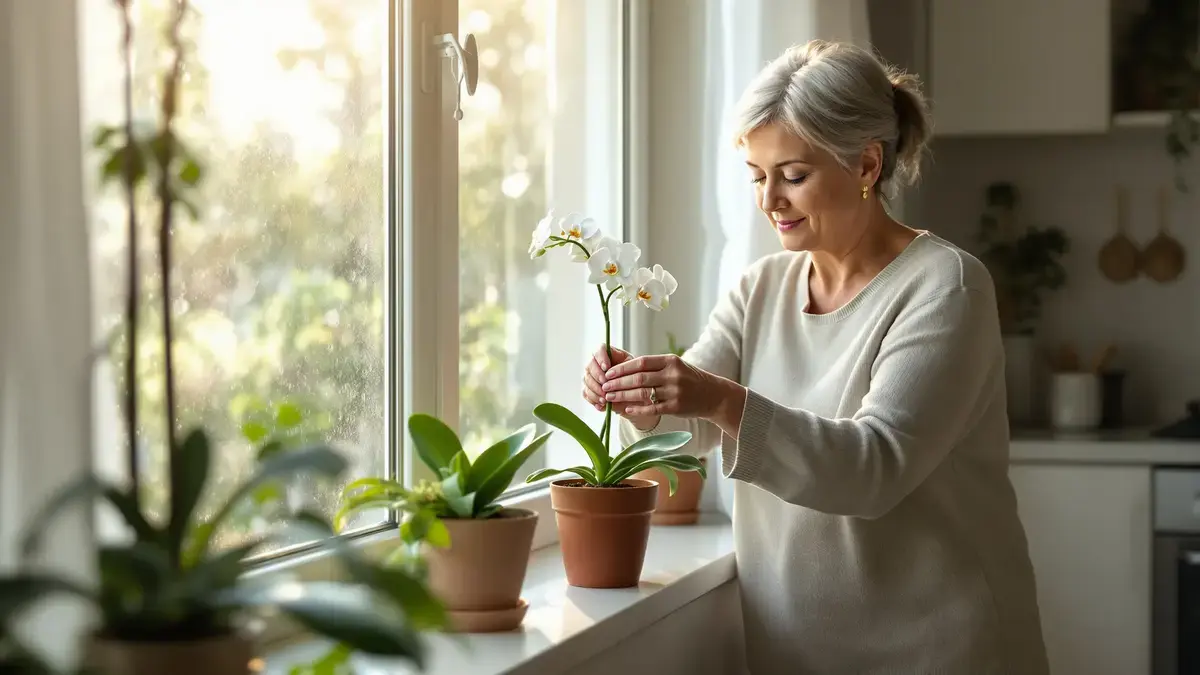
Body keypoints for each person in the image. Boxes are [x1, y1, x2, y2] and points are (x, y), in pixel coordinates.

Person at [582, 40, 1049, 674]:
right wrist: (641, 395)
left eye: (793, 176)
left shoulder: (946, 287)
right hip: (796, 651)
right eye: (757, 176)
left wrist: (721, 399)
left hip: (938, 652)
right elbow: (690, 427)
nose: (769, 199)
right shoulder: (760, 288)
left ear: (866, 165)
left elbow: (873, 468)